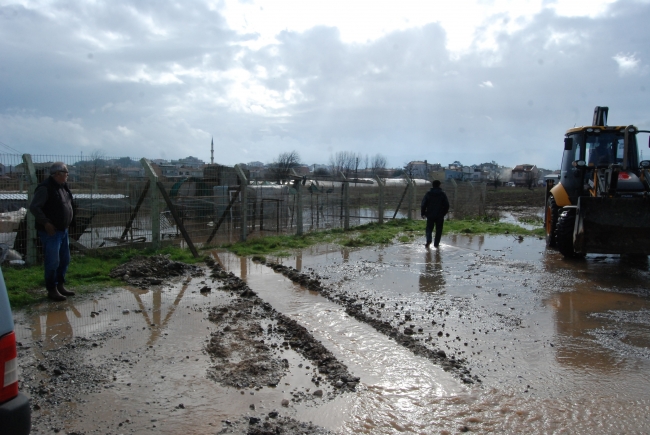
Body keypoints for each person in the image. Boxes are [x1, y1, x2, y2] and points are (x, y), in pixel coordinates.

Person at [29, 162, 75, 301]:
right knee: (53, 261)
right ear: (58, 174)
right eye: (66, 173)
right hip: (51, 232)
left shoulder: (63, 187)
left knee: (64, 260)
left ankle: (60, 285)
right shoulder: (45, 188)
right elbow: (35, 207)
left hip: (63, 230)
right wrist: (46, 222)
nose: (67, 175)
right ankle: (52, 289)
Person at [420, 179, 450, 249]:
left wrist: (423, 213)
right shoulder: (442, 194)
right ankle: (436, 244)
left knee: (429, 229)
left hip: (430, 214)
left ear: (432, 185)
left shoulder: (428, 193)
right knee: (439, 230)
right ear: (439, 185)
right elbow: (447, 205)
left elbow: (423, 204)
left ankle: (429, 240)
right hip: (440, 215)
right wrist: (443, 213)